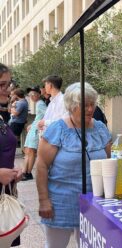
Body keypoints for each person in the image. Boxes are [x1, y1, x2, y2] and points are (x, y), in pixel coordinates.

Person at [36, 82, 112, 248]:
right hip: (61, 202)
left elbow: (108, 161)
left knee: (91, 245)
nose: (90, 109)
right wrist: (43, 200)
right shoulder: (57, 129)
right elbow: (41, 165)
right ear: (71, 106)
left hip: (95, 202)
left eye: (92, 104)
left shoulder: (100, 129)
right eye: (85, 105)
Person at [0, 63, 23, 247]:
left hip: (4, 198)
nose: (8, 90)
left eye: (8, 84)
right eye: (2, 85)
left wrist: (12, 172)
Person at [22, 86, 47, 181]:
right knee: (28, 150)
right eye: (30, 95)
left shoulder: (40, 104)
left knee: (31, 151)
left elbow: (47, 114)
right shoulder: (38, 103)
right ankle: (25, 172)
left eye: (34, 94)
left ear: (38, 95)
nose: (32, 96)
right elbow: (39, 117)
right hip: (34, 129)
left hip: (36, 130)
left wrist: (38, 125)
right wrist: (32, 124)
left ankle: (27, 172)